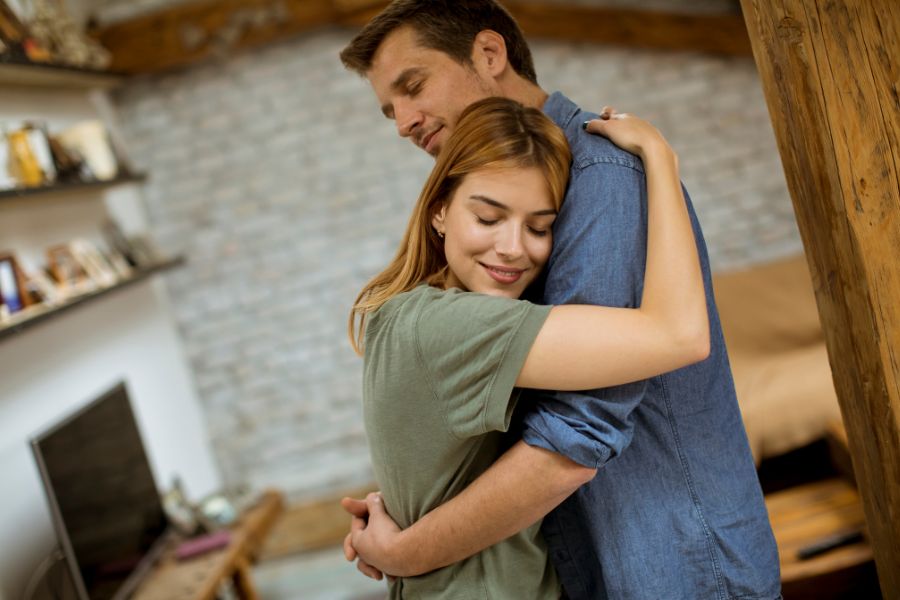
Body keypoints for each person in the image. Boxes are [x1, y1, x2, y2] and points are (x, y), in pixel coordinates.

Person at [339, 1, 782, 598]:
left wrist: (406, 550)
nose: (402, 122)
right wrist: (412, 495)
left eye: (413, 87)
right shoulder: (519, 204)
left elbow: (576, 433)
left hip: (674, 564)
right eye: (390, 110)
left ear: (490, 54)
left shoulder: (602, 173)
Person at [352, 95, 708, 599]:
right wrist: (659, 159)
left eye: (539, 227)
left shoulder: (404, 313)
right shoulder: (448, 326)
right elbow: (681, 335)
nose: (514, 247)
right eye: (488, 218)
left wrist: (398, 531)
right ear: (440, 211)